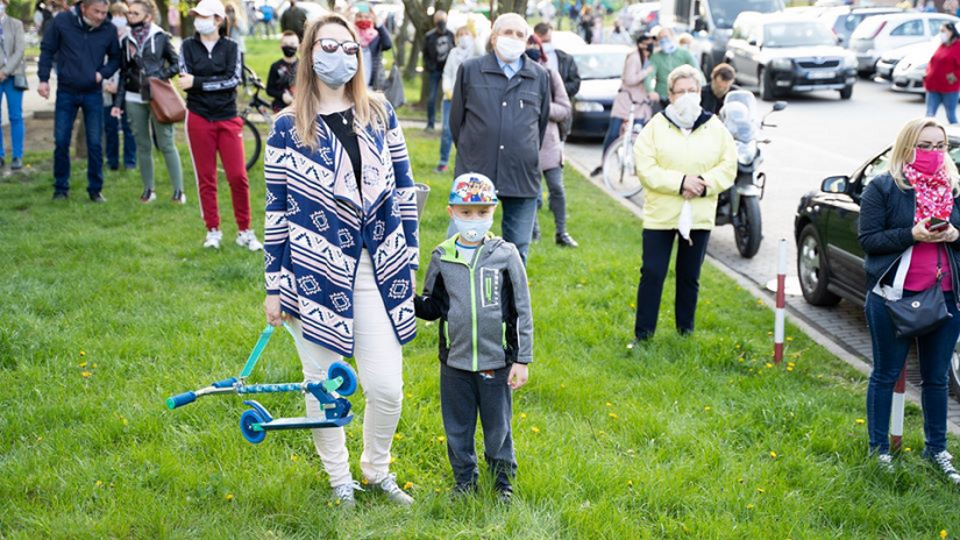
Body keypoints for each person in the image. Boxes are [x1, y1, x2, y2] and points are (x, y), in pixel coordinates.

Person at [263, 13, 420, 508]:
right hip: (312, 274)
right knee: (324, 388)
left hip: (378, 269)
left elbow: (404, 189)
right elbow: (277, 209)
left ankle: (376, 469)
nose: (341, 56)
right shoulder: (288, 127)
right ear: (310, 53)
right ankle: (339, 479)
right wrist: (274, 284)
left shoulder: (379, 112)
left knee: (385, 386)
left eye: (349, 48)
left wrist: (408, 256)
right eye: (328, 46)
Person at [414, 173, 532, 500]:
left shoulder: (506, 255)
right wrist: (405, 296)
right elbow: (432, 305)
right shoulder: (442, 256)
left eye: (482, 212)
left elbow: (522, 310)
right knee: (457, 428)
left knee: (498, 429)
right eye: (466, 213)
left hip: (496, 360)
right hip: (455, 362)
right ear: (451, 211)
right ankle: (465, 481)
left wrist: (522, 359)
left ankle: (502, 483)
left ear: (493, 210)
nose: (474, 220)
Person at [859, 118, 960, 480]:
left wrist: (953, 233)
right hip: (892, 298)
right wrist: (911, 234)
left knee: (936, 379)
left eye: (940, 145)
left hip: (946, 298)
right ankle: (879, 451)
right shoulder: (884, 188)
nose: (934, 153)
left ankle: (938, 451)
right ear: (907, 147)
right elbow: (869, 240)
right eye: (925, 145)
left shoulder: (954, 188)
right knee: (886, 374)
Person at [632, 65, 736, 342]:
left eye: (692, 90)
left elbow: (728, 166)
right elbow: (646, 167)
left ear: (700, 93)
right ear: (670, 95)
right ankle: (644, 335)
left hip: (699, 213)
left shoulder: (715, 128)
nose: (687, 96)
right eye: (681, 91)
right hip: (661, 214)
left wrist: (702, 183)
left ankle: (684, 332)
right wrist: (680, 182)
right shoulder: (655, 127)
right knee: (653, 273)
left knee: (690, 275)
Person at [450, 13, 551, 265]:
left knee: (517, 254)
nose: (514, 39)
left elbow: (540, 125)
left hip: (522, 174)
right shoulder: (471, 70)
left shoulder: (539, 76)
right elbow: (456, 123)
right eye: (508, 33)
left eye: (520, 35)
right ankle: (463, 303)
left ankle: (510, 305)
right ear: (494, 38)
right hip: (476, 174)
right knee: (466, 250)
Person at [179, 0, 262, 251]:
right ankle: (212, 229)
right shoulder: (186, 46)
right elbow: (184, 80)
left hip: (227, 116)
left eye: (203, 16)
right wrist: (202, 82)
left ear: (217, 19)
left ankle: (245, 230)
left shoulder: (232, 47)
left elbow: (232, 80)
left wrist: (199, 83)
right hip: (198, 117)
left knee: (238, 176)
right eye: (195, 15)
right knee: (206, 178)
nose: (198, 20)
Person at [38, 0, 121, 202]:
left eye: (104, 12)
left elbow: (116, 58)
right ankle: (60, 188)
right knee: (61, 141)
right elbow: (47, 49)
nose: (101, 16)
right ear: (83, 8)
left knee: (94, 143)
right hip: (67, 91)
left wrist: (102, 74)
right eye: (96, 12)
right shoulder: (62, 22)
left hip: (93, 92)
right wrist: (43, 79)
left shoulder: (108, 29)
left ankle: (95, 189)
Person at [115, 0, 185, 203]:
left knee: (166, 143)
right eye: (129, 13)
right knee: (142, 144)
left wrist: (159, 77)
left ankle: (178, 191)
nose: (130, 17)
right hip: (133, 96)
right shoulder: (125, 39)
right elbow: (124, 71)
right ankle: (148, 190)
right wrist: (118, 103)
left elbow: (178, 63)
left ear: (148, 17)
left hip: (158, 97)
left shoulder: (160, 36)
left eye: (135, 13)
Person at [527, 35, 577, 248]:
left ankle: (561, 232)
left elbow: (565, 108)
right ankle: (533, 232)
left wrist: (542, 109)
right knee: (529, 192)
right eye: (527, 46)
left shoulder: (550, 74)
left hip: (549, 142)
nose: (531, 49)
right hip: (526, 143)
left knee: (556, 188)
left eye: (534, 45)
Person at [599, 33, 654, 161]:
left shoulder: (649, 58)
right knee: (614, 133)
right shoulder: (634, 58)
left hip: (640, 104)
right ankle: (605, 161)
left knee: (638, 134)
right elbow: (629, 79)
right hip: (626, 101)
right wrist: (645, 72)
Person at [435, 24, 476, 173]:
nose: (464, 37)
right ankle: (443, 161)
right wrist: (447, 90)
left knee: (469, 132)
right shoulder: (453, 53)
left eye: (467, 34)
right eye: (460, 34)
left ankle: (466, 164)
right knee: (447, 130)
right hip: (450, 97)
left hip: (470, 98)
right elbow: (447, 73)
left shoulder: (477, 53)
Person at [103, 1, 136, 173]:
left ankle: (130, 161)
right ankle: (112, 161)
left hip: (127, 88)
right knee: (110, 127)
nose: (118, 19)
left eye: (121, 15)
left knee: (128, 126)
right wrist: (106, 83)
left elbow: (131, 66)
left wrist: (120, 85)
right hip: (107, 88)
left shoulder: (131, 37)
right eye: (115, 15)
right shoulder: (105, 35)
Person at [0, 0, 27, 170]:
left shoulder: (15, 24)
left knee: (15, 116)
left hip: (13, 75)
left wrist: (5, 71)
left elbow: (20, 50)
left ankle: (17, 156)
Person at [647, 26, 698, 110]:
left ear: (672, 37)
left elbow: (696, 72)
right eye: (661, 38)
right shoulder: (655, 57)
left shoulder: (685, 54)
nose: (664, 40)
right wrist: (650, 91)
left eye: (666, 37)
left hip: (682, 97)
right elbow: (649, 75)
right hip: (663, 97)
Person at [421, 10, 453, 131]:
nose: (441, 23)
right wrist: (429, 66)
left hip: (448, 71)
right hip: (434, 71)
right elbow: (425, 54)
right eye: (439, 20)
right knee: (432, 97)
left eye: (443, 20)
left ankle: (449, 124)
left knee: (451, 96)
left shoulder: (451, 35)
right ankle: (431, 123)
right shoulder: (429, 36)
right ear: (434, 21)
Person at [534, 22, 581, 102]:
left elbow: (575, 83)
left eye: (547, 41)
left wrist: (557, 90)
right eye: (542, 41)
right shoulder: (528, 58)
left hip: (559, 104)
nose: (545, 45)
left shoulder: (565, 59)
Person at [924, 22, 960, 125]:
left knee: (950, 115)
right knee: (929, 116)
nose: (941, 33)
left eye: (944, 31)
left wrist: (953, 77)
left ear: (951, 32)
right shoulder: (942, 45)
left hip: (949, 88)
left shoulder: (958, 46)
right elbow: (933, 61)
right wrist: (928, 74)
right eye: (940, 31)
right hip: (933, 87)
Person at [354, 3, 392, 91]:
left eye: (366, 17)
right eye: (359, 16)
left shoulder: (376, 36)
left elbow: (387, 45)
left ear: (372, 18)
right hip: (354, 79)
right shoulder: (350, 34)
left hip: (372, 81)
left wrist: (379, 24)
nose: (363, 19)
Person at [266, 30, 298, 113]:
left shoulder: (304, 66)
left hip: (300, 108)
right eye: (286, 44)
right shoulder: (275, 66)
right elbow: (269, 89)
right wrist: (282, 95)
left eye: (292, 44)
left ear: (298, 46)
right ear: (281, 45)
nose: (289, 46)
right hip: (280, 108)